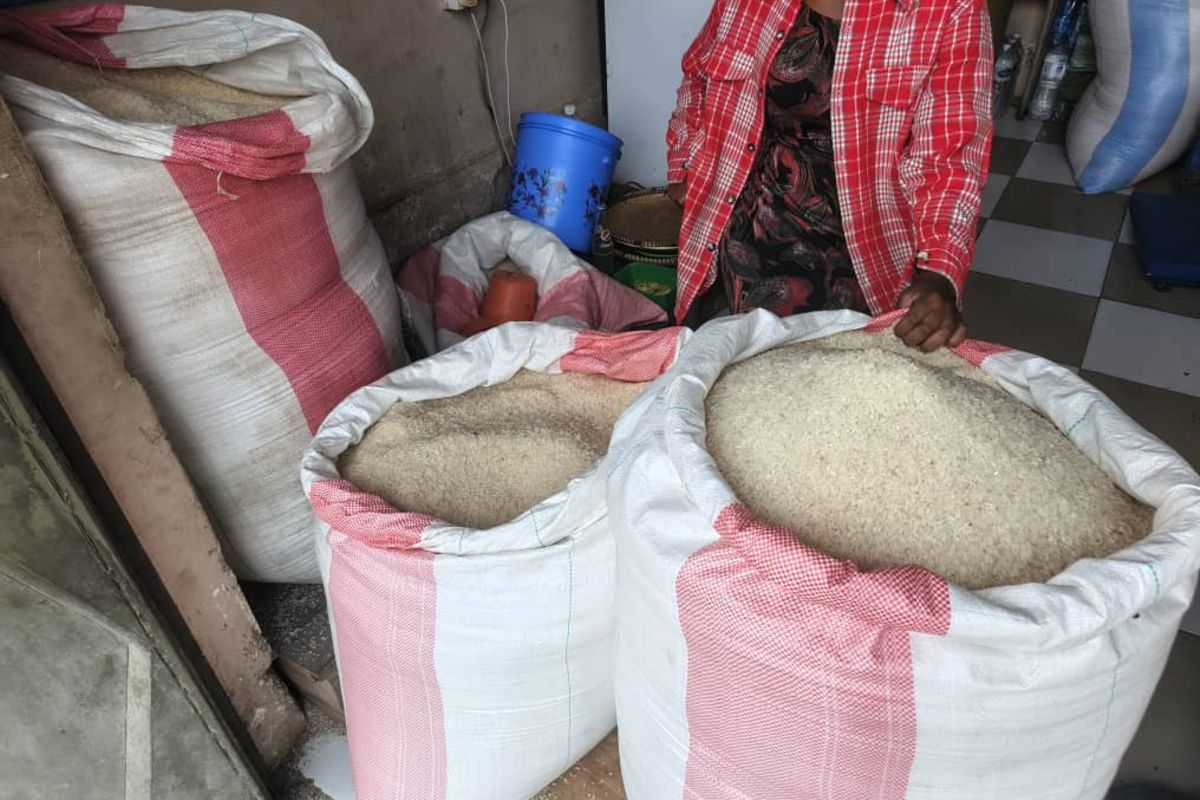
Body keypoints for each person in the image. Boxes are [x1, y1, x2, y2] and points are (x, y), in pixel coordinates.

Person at [667, 0, 993, 351]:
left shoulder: (951, 10)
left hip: (867, 244)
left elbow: (949, 163)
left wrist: (938, 272)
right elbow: (698, 76)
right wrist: (684, 165)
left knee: (844, 363)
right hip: (755, 218)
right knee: (757, 355)